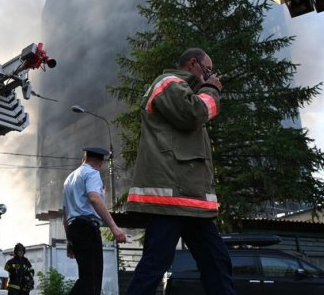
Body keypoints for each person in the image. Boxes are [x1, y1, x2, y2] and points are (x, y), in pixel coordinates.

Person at [125, 48, 235, 295]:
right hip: (172, 198)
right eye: (208, 70)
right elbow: (192, 114)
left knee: (217, 264)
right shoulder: (168, 83)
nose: (210, 76)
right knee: (154, 266)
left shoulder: (183, 91)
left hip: (191, 199)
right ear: (193, 64)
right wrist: (212, 89)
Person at [63, 147, 127, 295]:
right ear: (100, 162)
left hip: (74, 229)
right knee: (92, 280)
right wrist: (114, 227)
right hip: (87, 229)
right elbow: (94, 198)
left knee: (86, 277)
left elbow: (65, 213)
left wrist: (69, 240)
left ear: (84, 159)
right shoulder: (92, 173)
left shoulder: (69, 178)